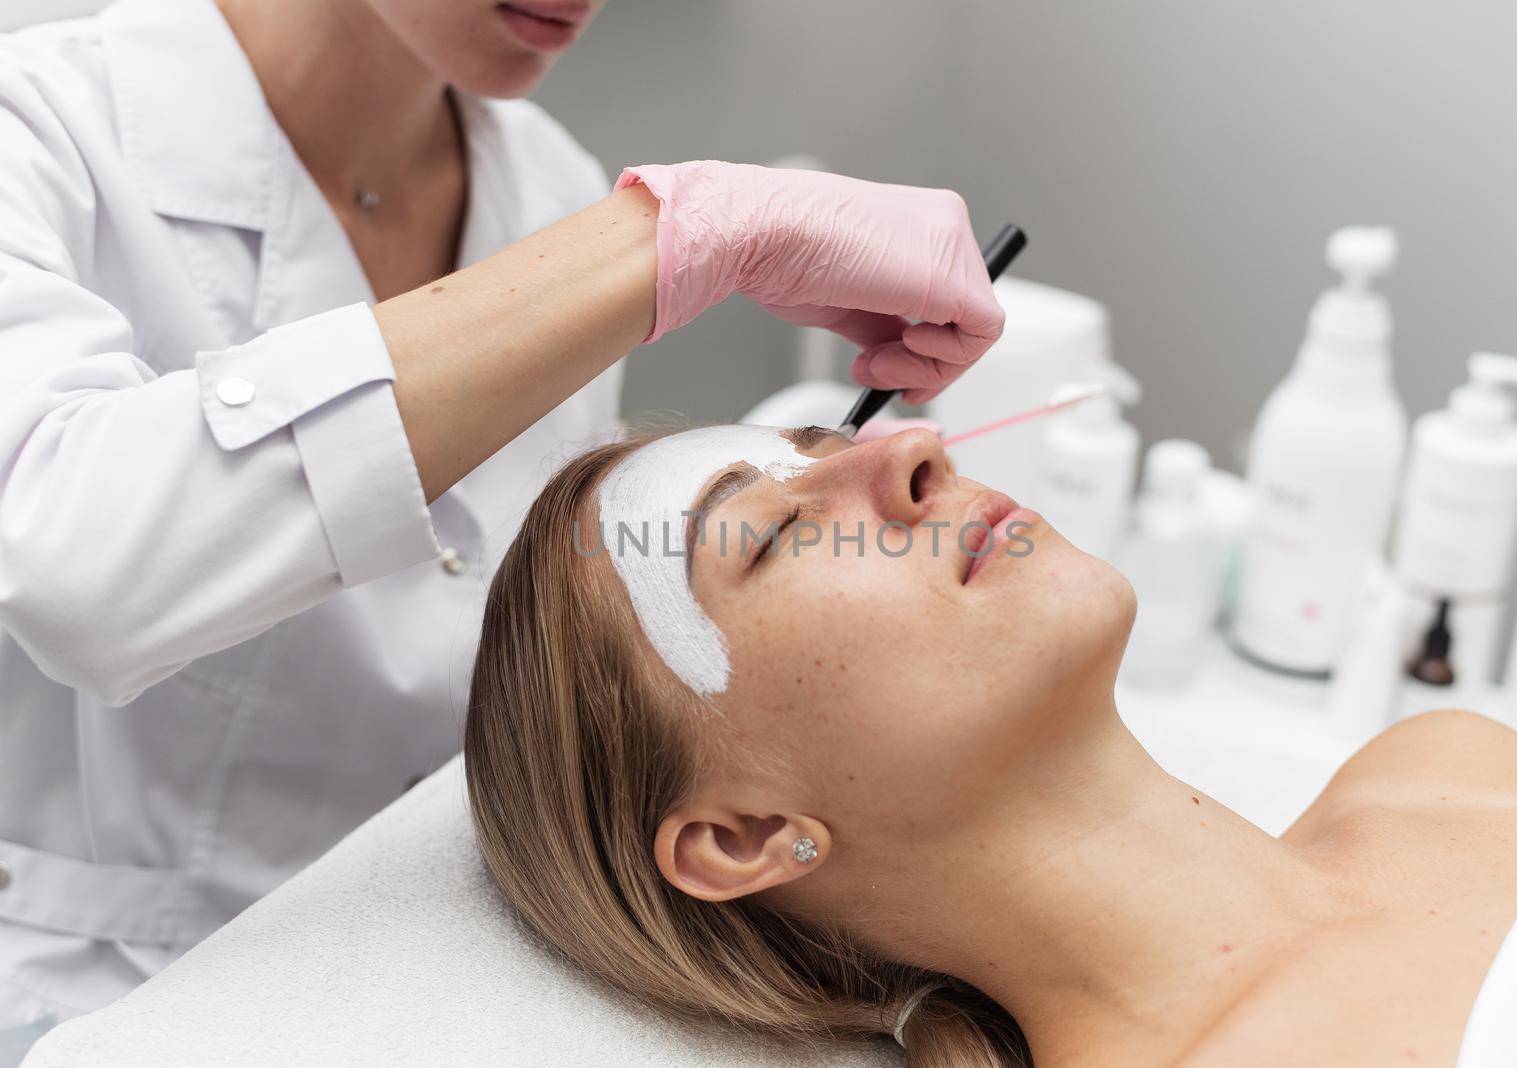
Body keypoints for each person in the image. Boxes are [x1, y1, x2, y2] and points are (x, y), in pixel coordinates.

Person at [0, 0, 1006, 1029]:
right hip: (102, 990)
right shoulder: (36, 129)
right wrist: (692, 238)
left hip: (435, 952)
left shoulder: (545, 187)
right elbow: (77, 567)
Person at [464, 424, 1517, 1067]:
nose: (911, 449)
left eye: (837, 437)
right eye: (774, 533)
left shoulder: (1445, 767)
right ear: (748, 833)